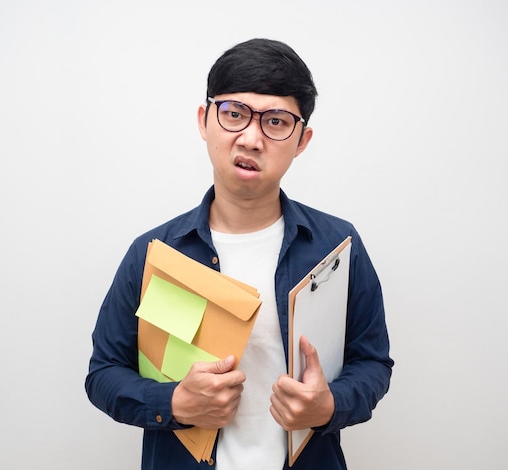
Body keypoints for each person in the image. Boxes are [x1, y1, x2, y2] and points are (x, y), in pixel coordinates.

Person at [85, 38, 393, 470]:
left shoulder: (336, 247)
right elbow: (102, 374)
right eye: (234, 114)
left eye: (276, 122)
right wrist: (172, 401)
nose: (250, 138)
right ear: (204, 120)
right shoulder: (154, 254)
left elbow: (373, 362)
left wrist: (329, 406)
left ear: (302, 140)